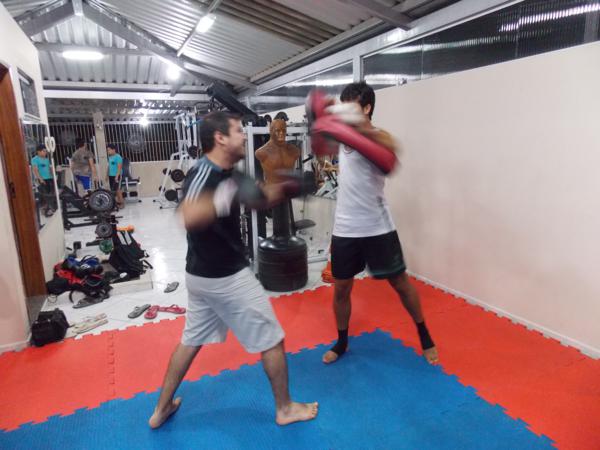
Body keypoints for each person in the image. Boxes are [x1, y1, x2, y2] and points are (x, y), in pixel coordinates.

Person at [148, 111, 318, 429]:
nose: (244, 135)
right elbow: (188, 216)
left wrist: (289, 186)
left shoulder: (232, 173)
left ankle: (161, 409)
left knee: (191, 340)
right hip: (225, 277)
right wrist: (222, 198)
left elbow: (258, 198)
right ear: (220, 138)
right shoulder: (203, 173)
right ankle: (285, 409)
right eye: (238, 131)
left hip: (201, 276)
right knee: (272, 339)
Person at [321, 82, 439, 365]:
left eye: (350, 108)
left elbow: (391, 152)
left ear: (367, 108)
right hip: (345, 227)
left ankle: (424, 335)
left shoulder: (378, 137)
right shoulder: (342, 137)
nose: (344, 113)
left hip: (377, 226)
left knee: (400, 283)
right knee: (341, 288)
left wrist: (359, 131)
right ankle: (342, 341)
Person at [31, 144, 56, 216]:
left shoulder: (47, 159)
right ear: (38, 151)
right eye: (43, 151)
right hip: (42, 180)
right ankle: (45, 210)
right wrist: (40, 179)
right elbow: (35, 170)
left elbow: (50, 169)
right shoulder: (34, 159)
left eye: (45, 151)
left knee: (50, 194)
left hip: (49, 179)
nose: (45, 152)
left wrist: (53, 176)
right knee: (44, 195)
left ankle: (50, 209)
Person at [107, 144, 124, 208]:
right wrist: (107, 175)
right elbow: (109, 167)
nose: (108, 151)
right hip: (111, 176)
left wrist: (117, 176)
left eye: (109, 150)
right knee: (113, 190)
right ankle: (117, 203)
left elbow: (119, 167)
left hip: (117, 175)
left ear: (113, 150)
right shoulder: (110, 157)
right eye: (107, 150)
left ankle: (122, 203)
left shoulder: (118, 157)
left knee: (117, 190)